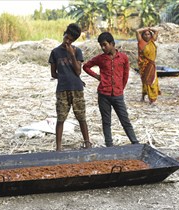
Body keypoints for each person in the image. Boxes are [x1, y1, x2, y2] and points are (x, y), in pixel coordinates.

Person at [83, 32, 139, 147]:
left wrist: (120, 88)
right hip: (103, 94)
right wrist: (98, 77)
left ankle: (135, 143)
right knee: (106, 121)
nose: (103, 48)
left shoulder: (123, 58)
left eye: (105, 45)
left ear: (112, 44)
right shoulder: (100, 58)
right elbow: (86, 66)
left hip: (118, 94)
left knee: (125, 120)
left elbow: (125, 75)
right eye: (101, 46)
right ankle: (109, 145)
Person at [48, 23, 91, 151]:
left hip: (77, 89)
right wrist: (64, 77)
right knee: (60, 118)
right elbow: (53, 73)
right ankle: (59, 147)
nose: (67, 41)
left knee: (81, 117)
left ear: (74, 40)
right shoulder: (55, 52)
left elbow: (78, 72)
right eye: (66, 37)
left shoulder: (77, 52)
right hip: (62, 89)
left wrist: (71, 55)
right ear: (64, 33)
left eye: (71, 40)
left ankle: (87, 143)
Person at [136, 27, 161, 105]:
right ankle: (144, 95)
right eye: (145, 34)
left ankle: (152, 99)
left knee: (152, 81)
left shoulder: (152, 41)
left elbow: (156, 31)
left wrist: (150, 28)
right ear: (142, 36)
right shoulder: (141, 42)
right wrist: (145, 28)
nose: (147, 36)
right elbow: (137, 31)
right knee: (145, 81)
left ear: (151, 35)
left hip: (151, 65)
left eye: (148, 34)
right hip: (144, 65)